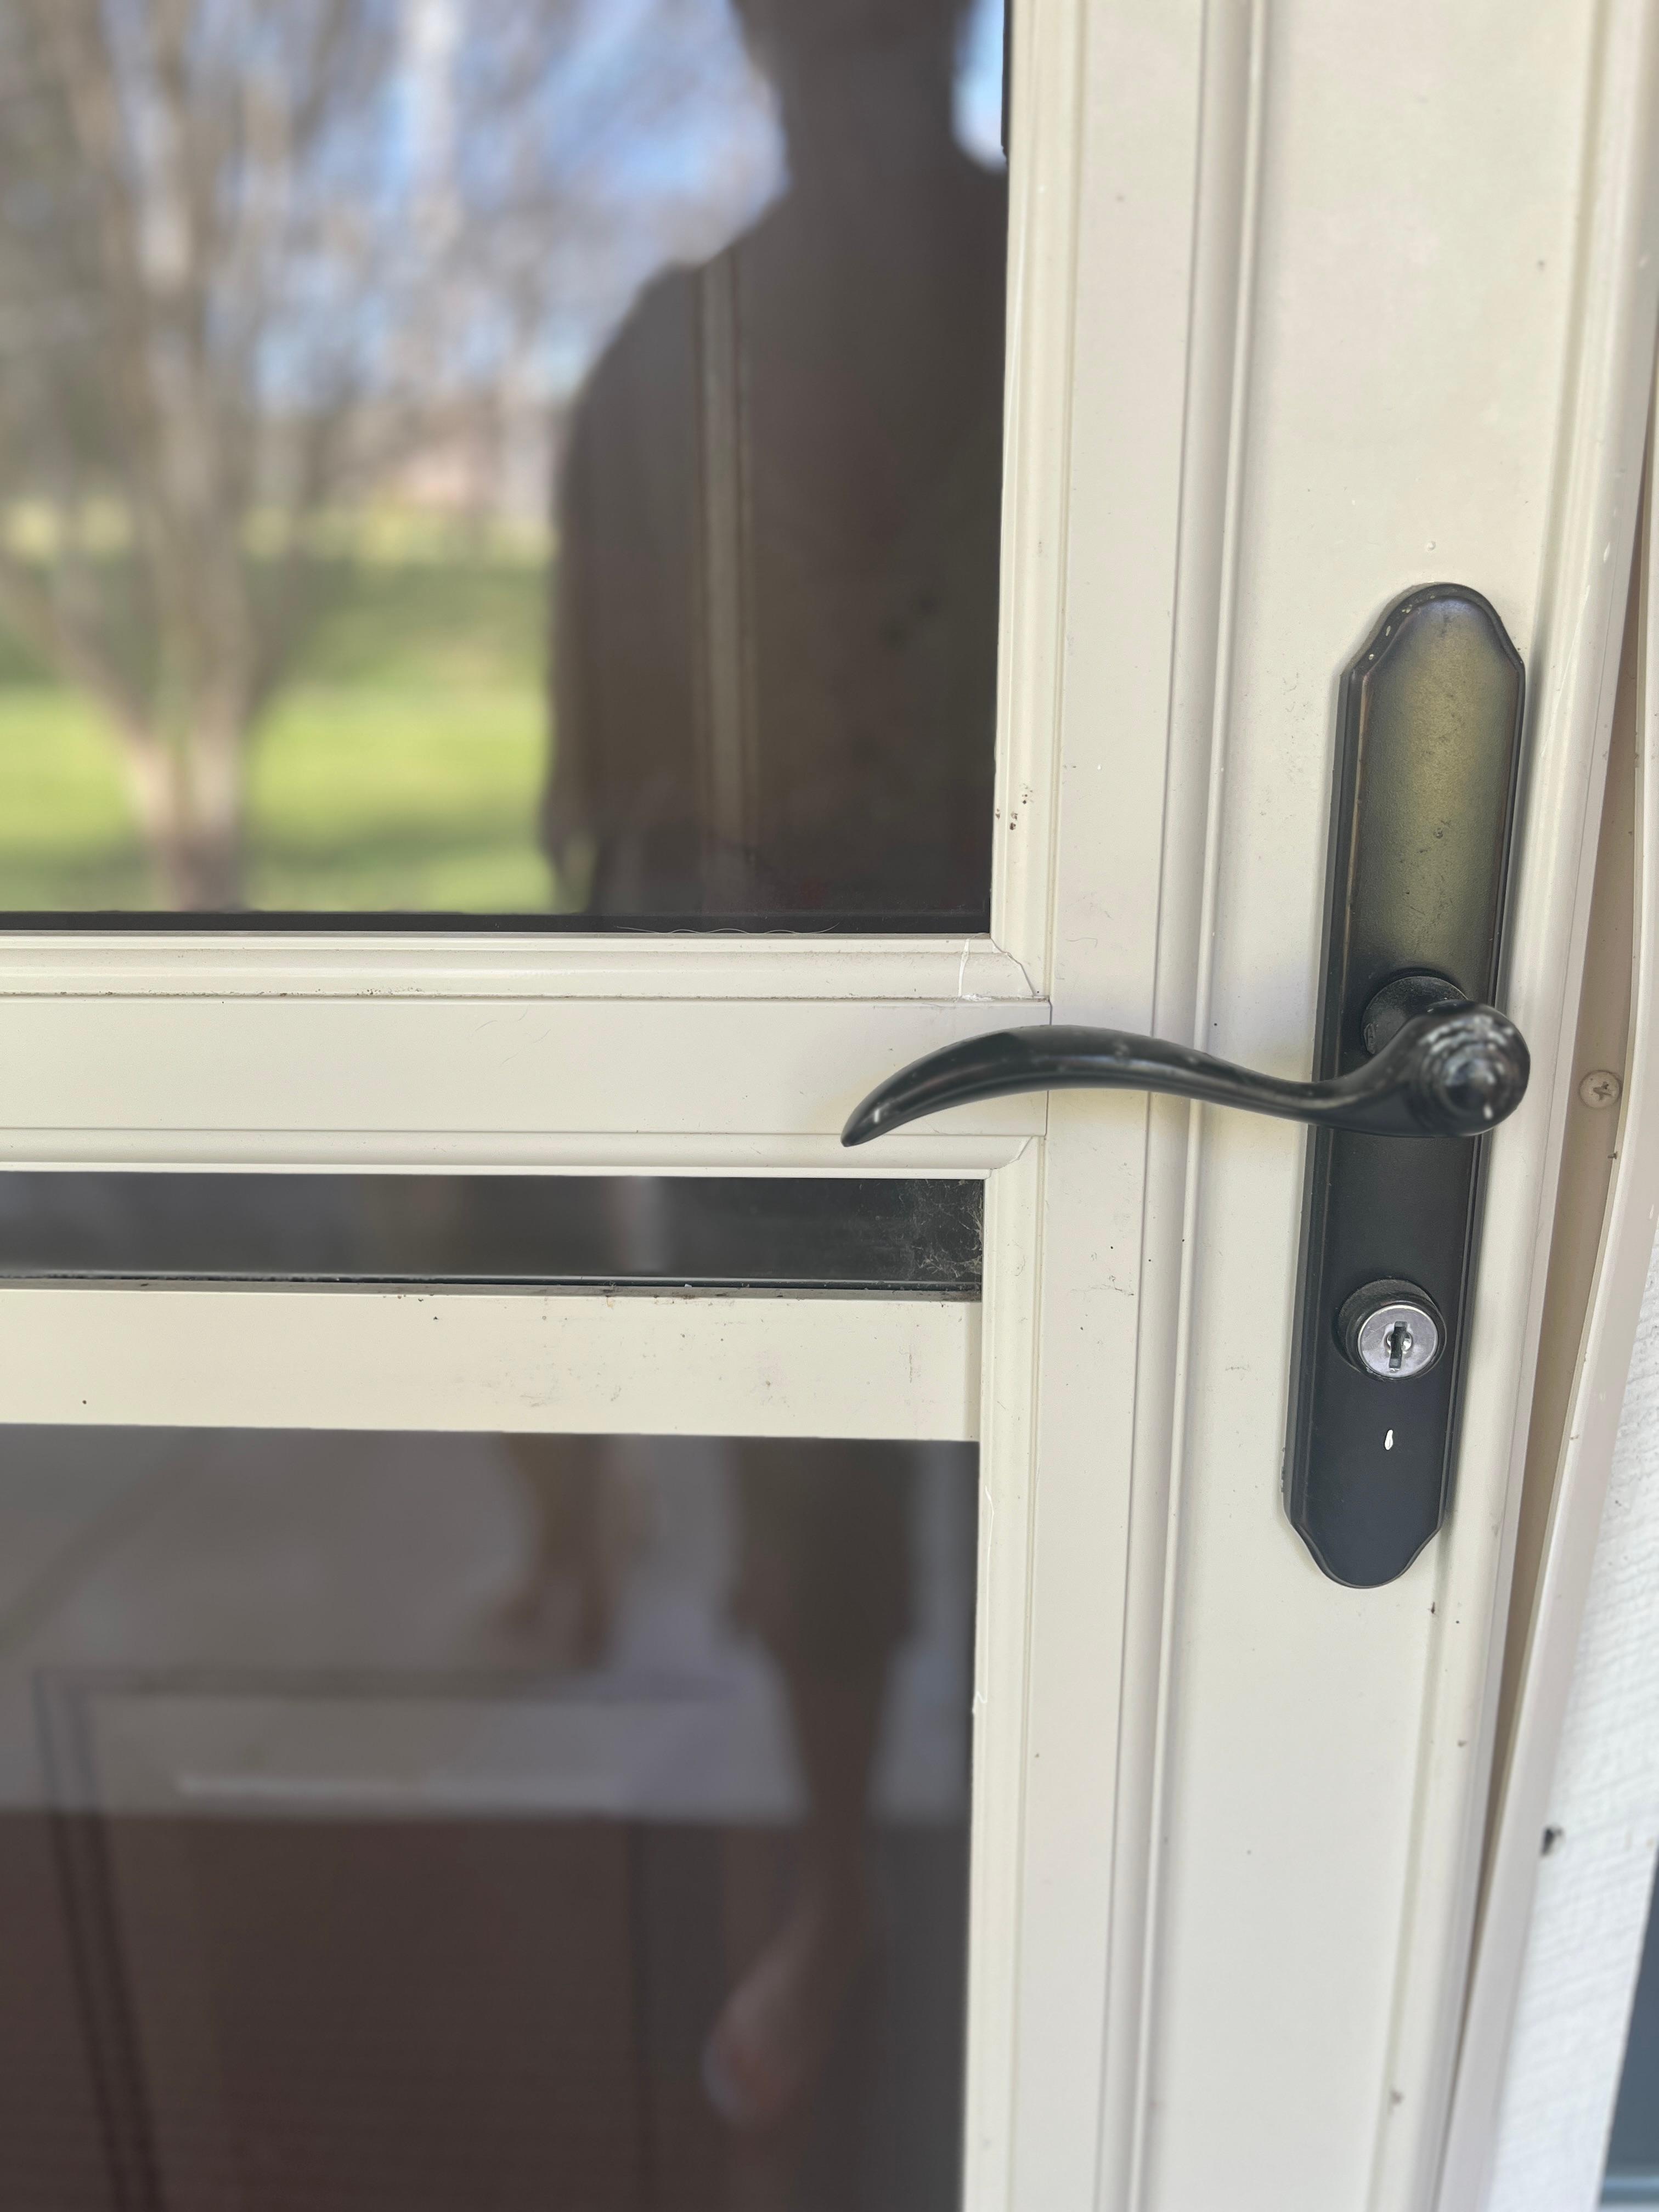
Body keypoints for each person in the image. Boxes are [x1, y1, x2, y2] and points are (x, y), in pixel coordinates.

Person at [539, 0, 1006, 2148]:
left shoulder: (1106, 313)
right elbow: (600, 788)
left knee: (1100, 1468)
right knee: (816, 1506)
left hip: (1088, 1037)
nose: (854, 49)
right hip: (769, 1040)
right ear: (751, 40)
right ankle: (840, 1891)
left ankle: (1052, 1883)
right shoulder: (663, 365)